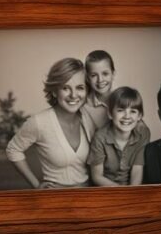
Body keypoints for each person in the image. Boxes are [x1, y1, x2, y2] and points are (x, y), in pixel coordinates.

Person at [6, 57, 95, 189]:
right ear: (54, 91)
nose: (73, 95)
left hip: (87, 196)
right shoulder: (39, 122)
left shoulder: (88, 118)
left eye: (80, 88)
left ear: (86, 91)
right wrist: (36, 184)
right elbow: (13, 149)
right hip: (54, 199)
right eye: (65, 88)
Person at [82, 49, 151, 139]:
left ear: (113, 74)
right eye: (94, 75)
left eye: (105, 74)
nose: (100, 80)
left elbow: (140, 127)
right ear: (87, 78)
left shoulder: (122, 98)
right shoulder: (84, 105)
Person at [88, 87, 150, 186]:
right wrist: (122, 193)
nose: (127, 116)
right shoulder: (100, 137)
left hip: (132, 190)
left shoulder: (143, 133)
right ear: (110, 114)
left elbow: (137, 169)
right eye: (121, 110)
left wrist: (131, 193)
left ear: (139, 116)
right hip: (106, 189)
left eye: (133, 111)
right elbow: (97, 176)